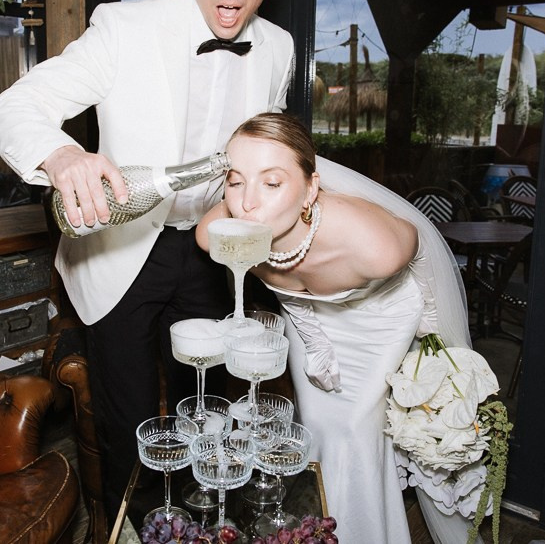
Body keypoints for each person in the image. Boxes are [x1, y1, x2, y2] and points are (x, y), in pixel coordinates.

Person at [0, 0, 293, 520]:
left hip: (212, 249)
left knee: (204, 413)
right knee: (130, 432)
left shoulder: (280, 48)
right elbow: (13, 107)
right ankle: (135, 528)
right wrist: (63, 156)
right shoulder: (124, 29)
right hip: (123, 250)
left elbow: (268, 149)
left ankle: (204, 523)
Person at [197, 113, 480, 544]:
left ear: (310, 189)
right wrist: (313, 338)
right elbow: (285, 286)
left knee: (353, 430)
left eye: (272, 183)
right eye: (235, 182)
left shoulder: (375, 246)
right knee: (315, 424)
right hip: (306, 315)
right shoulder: (223, 234)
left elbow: (423, 260)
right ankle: (312, 529)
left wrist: (432, 341)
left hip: (379, 314)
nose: (247, 203)